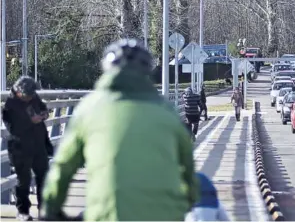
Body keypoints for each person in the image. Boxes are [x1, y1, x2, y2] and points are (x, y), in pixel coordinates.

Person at [40, 39, 199, 221]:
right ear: (147, 72)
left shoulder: (89, 108)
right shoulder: (167, 111)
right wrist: (188, 200)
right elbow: (188, 167)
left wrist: (51, 209)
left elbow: (63, 167)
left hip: (108, 214)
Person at [1, 76, 52, 221]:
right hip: (20, 148)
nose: (30, 97)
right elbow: (13, 129)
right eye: (28, 95)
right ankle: (22, 211)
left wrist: (44, 114)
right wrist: (31, 121)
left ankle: (44, 209)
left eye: (32, 95)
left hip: (38, 145)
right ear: (19, 92)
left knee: (44, 177)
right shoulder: (10, 106)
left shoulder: (33, 97)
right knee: (23, 180)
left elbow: (42, 107)